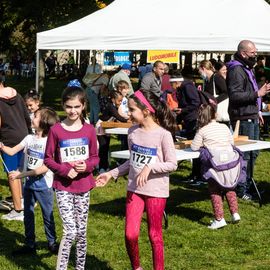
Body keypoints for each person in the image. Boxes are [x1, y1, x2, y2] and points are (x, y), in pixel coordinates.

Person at [96, 89, 177, 270]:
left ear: (146, 111)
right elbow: (131, 163)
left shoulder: (164, 135)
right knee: (130, 235)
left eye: (132, 110)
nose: (128, 113)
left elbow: (172, 164)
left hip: (156, 190)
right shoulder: (132, 132)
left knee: (154, 235)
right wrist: (111, 174)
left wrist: (150, 167)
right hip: (134, 189)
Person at [44, 82, 99, 270]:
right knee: (70, 231)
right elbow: (48, 159)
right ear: (63, 106)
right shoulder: (56, 130)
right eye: (69, 106)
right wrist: (64, 170)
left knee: (81, 232)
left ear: (83, 105)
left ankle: (79, 267)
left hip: (84, 186)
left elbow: (95, 157)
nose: (73, 110)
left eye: (76, 106)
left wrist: (87, 166)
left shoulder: (89, 130)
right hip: (63, 187)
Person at [0, 107, 59, 254]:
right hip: (29, 185)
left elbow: (44, 168)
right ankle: (29, 244)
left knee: (47, 215)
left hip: (44, 186)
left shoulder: (49, 142)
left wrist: (20, 175)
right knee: (28, 215)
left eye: (36, 116)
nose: (32, 117)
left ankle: (52, 243)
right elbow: (12, 151)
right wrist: (1, 146)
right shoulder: (28, 138)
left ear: (44, 122)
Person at [227, 40, 270, 200]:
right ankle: (241, 189)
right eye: (253, 53)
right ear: (244, 53)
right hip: (242, 117)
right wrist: (257, 94)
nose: (255, 55)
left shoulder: (246, 68)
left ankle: (248, 185)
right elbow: (235, 95)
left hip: (250, 114)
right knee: (245, 154)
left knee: (254, 153)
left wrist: (257, 109)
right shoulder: (236, 69)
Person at [191, 104, 245, 229]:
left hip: (215, 166)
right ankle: (235, 213)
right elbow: (231, 142)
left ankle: (219, 218)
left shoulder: (202, 130)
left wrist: (204, 145)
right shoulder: (224, 127)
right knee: (229, 186)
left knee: (215, 190)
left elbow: (194, 147)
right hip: (231, 163)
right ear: (214, 114)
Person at [0, 73, 31, 221]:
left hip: (8, 140)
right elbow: (26, 116)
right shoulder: (17, 94)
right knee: (19, 171)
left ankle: (18, 210)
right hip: (23, 135)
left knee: (12, 174)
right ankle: (21, 200)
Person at [96, 90, 129, 173]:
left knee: (106, 147)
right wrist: (129, 120)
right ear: (113, 99)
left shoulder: (115, 107)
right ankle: (101, 168)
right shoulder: (111, 107)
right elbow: (119, 118)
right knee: (103, 148)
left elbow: (120, 117)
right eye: (119, 100)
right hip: (101, 126)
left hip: (107, 127)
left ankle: (105, 166)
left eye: (121, 101)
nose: (120, 102)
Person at [199, 60, 230, 125]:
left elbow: (226, 92)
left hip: (220, 115)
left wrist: (215, 101)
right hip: (213, 113)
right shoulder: (208, 80)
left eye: (200, 71)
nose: (199, 73)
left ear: (203, 68)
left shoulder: (216, 77)